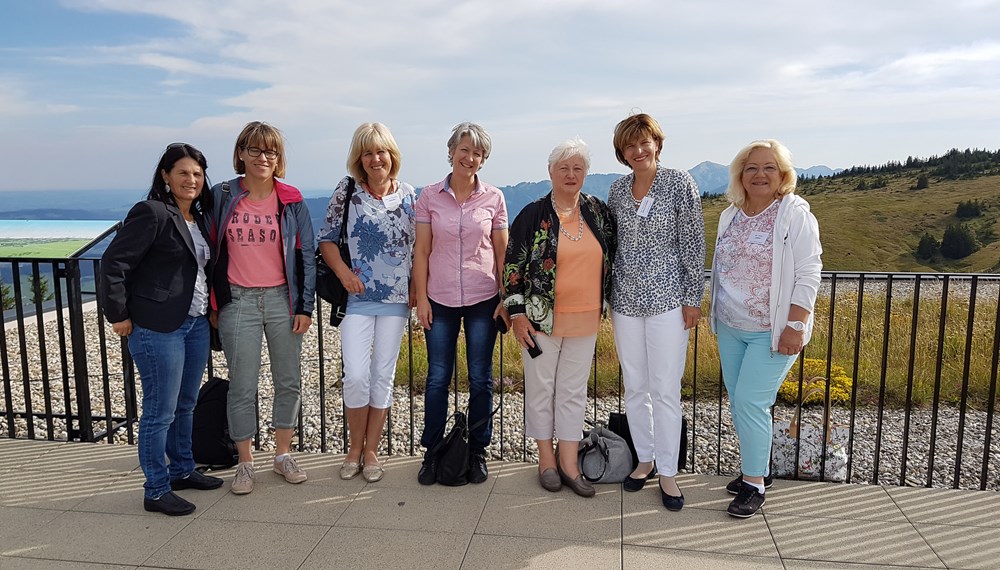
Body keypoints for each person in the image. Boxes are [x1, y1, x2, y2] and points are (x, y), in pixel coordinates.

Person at [101, 143, 222, 516]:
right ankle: (155, 488)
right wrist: (117, 313)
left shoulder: (199, 219)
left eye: (198, 174)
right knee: (159, 410)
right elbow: (114, 262)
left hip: (195, 323)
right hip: (158, 327)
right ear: (166, 176)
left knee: (186, 404)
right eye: (183, 173)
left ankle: (182, 470)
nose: (191, 180)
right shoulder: (152, 212)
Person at [710, 139, 822, 518]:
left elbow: (809, 273)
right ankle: (759, 468)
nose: (760, 174)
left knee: (750, 402)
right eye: (752, 167)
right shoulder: (732, 214)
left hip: (771, 330)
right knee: (742, 402)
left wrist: (796, 324)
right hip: (731, 325)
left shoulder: (794, 215)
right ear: (740, 175)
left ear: (783, 175)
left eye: (769, 167)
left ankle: (754, 483)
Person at [503, 138, 616, 497]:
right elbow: (512, 268)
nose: (571, 174)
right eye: (563, 168)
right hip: (540, 321)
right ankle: (545, 461)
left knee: (571, 392)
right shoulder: (533, 214)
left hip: (585, 319)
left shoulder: (598, 212)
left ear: (586, 173)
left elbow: (613, 258)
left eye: (578, 168)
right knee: (541, 389)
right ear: (550, 172)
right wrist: (517, 315)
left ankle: (569, 462)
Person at [210, 121, 316, 495]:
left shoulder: (291, 199)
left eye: (270, 151)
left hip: (281, 300)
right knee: (242, 384)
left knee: (289, 380)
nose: (263, 157)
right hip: (237, 301)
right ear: (241, 153)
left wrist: (305, 305)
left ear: (279, 158)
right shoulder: (223, 195)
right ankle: (245, 461)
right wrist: (213, 301)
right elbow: (208, 250)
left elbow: (305, 255)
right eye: (254, 150)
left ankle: (282, 454)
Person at [608, 114, 705, 511]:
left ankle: (668, 471)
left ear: (657, 143)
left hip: (668, 301)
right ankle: (644, 460)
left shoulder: (679, 183)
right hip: (625, 302)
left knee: (665, 389)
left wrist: (693, 297)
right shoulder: (616, 190)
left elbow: (693, 240)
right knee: (635, 386)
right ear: (622, 152)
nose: (638, 150)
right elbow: (610, 244)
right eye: (630, 145)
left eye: (644, 142)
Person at [318, 123, 416, 483]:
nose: (376, 159)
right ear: (359, 159)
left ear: (392, 155)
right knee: (356, 375)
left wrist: (417, 287)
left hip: (396, 299)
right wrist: (344, 275)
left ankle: (370, 450)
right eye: (368, 152)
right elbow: (326, 240)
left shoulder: (409, 195)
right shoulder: (346, 194)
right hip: (356, 299)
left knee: (383, 377)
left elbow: (419, 247)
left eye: (382, 151)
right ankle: (354, 448)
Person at [413, 122, 508, 485]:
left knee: (481, 380)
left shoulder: (494, 198)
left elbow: (502, 253)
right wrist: (421, 298)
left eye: (478, 153)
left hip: (484, 298)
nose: (470, 158)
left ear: (483, 160)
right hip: (440, 300)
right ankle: (432, 452)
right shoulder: (429, 197)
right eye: (464, 150)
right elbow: (421, 251)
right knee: (437, 379)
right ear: (451, 151)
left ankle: (478, 450)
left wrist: (505, 301)